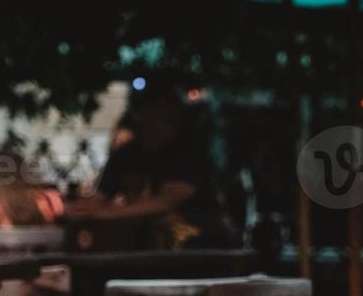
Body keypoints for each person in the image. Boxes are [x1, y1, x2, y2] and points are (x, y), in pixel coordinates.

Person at [64, 85, 235, 250]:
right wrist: (70, 208)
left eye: (168, 114)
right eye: (155, 112)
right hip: (149, 248)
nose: (160, 121)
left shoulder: (188, 154)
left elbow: (167, 200)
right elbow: (101, 197)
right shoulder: (125, 155)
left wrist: (106, 213)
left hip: (200, 247)